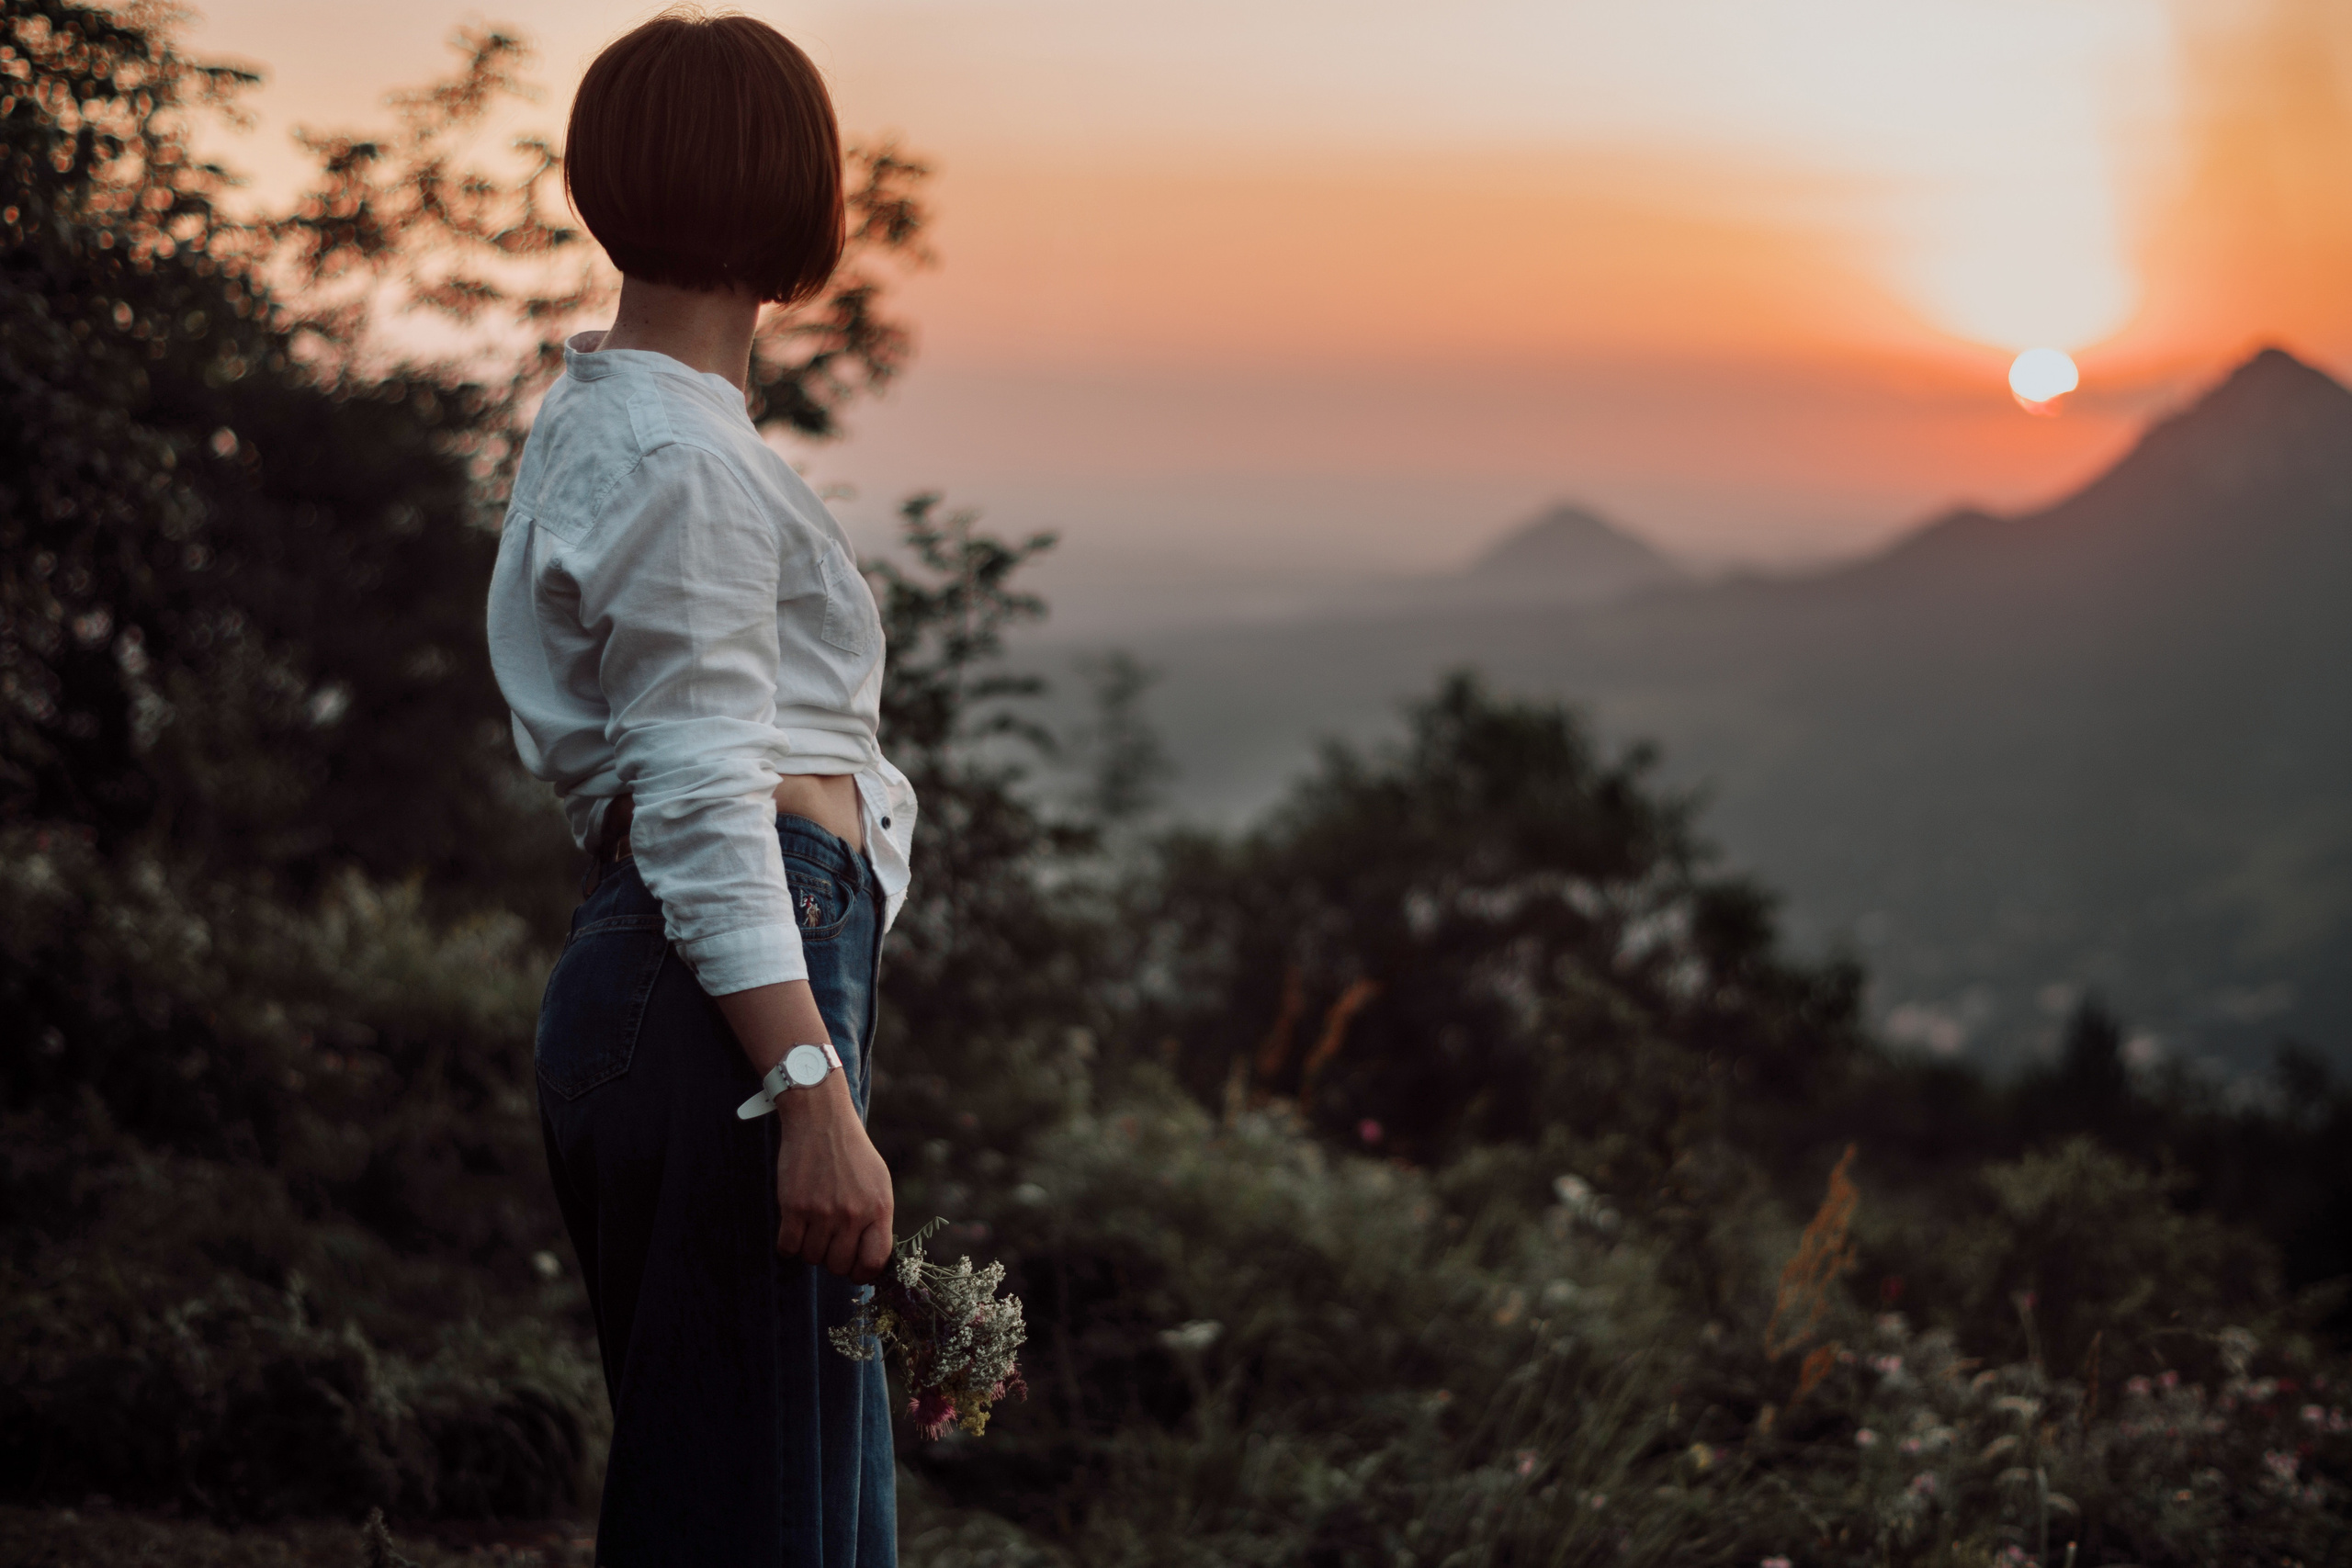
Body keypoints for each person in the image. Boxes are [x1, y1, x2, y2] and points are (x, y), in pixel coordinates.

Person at [484, 11, 913, 1563]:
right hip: (728, 991)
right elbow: (693, 787)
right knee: (756, 1528)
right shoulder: (679, 456)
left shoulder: (623, 420)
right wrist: (808, 1091)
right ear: (801, 196)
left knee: (756, 1497)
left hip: (697, 989)